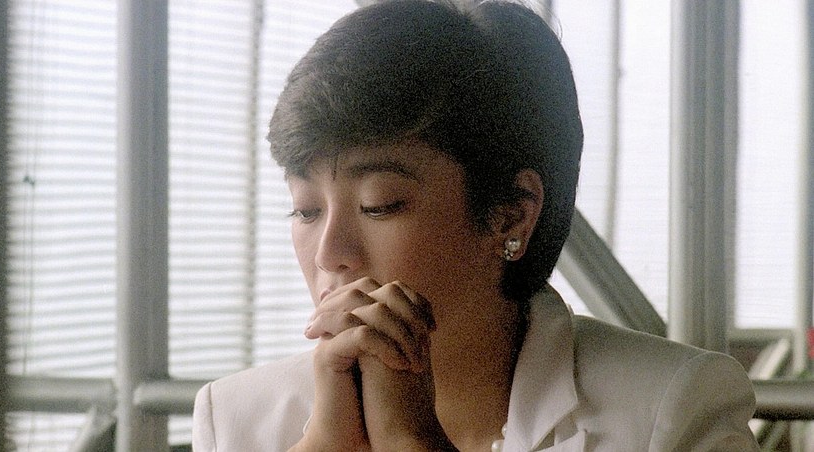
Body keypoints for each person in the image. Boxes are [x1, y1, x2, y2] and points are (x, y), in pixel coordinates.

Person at [192, 1, 759, 450]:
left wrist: (414, 444)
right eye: (305, 209)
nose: (328, 252)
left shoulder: (671, 407)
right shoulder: (237, 419)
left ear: (511, 214)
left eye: (380, 204)